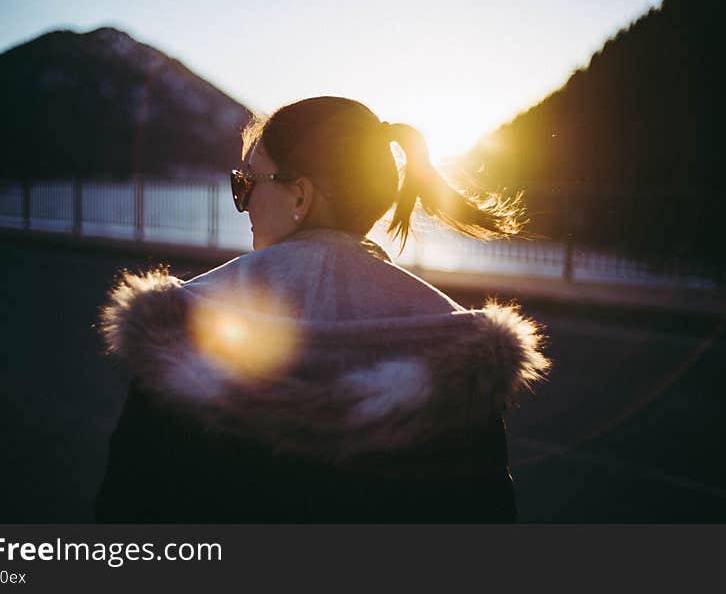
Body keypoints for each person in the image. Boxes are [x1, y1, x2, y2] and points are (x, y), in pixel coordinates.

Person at [96, 96, 549, 522]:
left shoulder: (181, 321)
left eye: (248, 182)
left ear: (300, 196)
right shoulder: (461, 349)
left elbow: (125, 515)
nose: (244, 201)